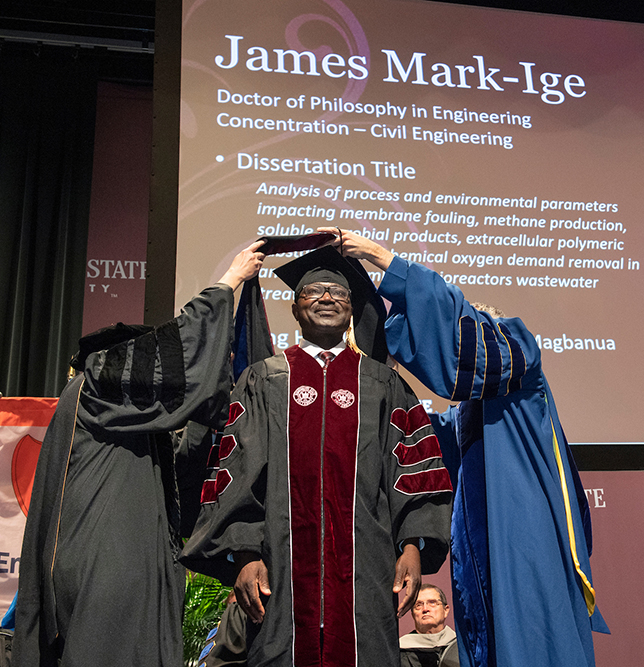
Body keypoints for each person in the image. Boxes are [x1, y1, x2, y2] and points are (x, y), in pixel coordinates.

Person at [332, 229, 608, 667]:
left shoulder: (522, 361)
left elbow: (456, 329)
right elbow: (406, 427)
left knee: (532, 640)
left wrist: (380, 257)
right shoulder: (459, 420)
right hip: (478, 548)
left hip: (521, 534)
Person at [180, 245, 453, 667]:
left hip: (367, 570)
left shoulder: (382, 384)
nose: (327, 297)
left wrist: (414, 546)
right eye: (314, 291)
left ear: (350, 309)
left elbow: (413, 469)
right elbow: (235, 473)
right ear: (294, 308)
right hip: (280, 568)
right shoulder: (264, 380)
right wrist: (246, 555)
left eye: (338, 292)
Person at [13, 241, 266, 667]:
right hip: (105, 559)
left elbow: (184, 476)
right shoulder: (96, 385)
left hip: (127, 557)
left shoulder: (131, 428)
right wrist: (228, 283)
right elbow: (181, 347)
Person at [399, 584, 459, 667]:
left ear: (446, 610)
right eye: (418, 605)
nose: (425, 609)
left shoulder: (460, 647)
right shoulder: (399, 651)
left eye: (432, 603)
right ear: (413, 614)